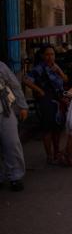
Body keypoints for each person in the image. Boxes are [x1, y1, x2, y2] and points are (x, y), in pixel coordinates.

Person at [24, 44, 68, 165]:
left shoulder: (55, 66)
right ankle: (49, 156)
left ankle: (56, 152)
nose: (50, 57)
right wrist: (39, 91)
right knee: (47, 129)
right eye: (47, 54)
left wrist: (59, 71)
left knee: (57, 128)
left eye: (52, 54)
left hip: (58, 100)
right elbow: (26, 79)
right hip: (46, 101)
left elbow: (65, 80)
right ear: (43, 56)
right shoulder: (39, 68)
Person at [0, 61, 28, 191]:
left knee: (12, 143)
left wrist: (22, 106)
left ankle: (16, 177)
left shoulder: (1, 66)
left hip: (4, 111)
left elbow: (14, 85)